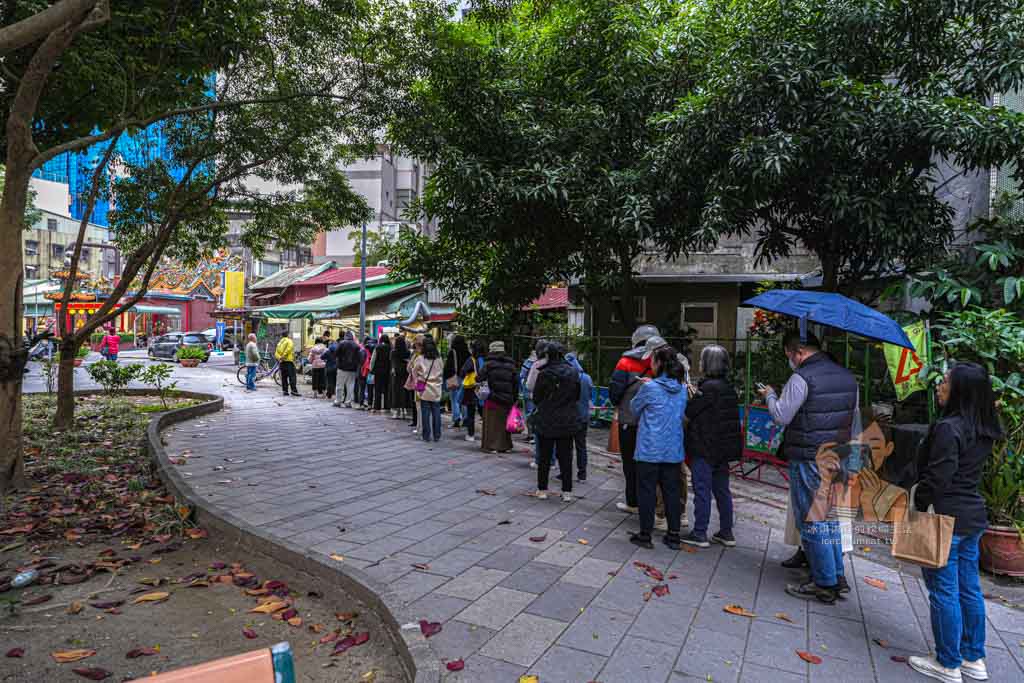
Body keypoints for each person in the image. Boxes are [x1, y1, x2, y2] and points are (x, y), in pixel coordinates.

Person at [908, 363, 1001, 683]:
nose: (939, 385)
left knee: (943, 591)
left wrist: (919, 503)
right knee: (969, 589)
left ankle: (947, 663)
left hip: (944, 517)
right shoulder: (984, 427)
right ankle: (973, 657)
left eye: (946, 381)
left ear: (960, 389)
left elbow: (939, 477)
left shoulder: (950, 428)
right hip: (972, 516)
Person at [760, 330, 856, 604]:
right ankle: (837, 575)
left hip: (809, 457)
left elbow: (781, 416)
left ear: (797, 352)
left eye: (789, 355)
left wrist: (770, 395)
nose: (790, 360)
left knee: (812, 519)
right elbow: (853, 417)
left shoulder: (801, 378)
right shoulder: (848, 377)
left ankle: (824, 582)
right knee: (831, 517)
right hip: (839, 454)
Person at [682, 344, 742, 548]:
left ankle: (700, 532)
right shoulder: (728, 387)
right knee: (722, 490)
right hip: (723, 448)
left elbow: (689, 413)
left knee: (702, 489)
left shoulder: (707, 388)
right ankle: (726, 532)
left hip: (705, 446)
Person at [628, 345, 688, 550]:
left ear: (659, 364)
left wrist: (647, 386)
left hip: (649, 448)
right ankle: (673, 536)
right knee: (672, 492)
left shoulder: (650, 388)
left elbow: (634, 408)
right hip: (672, 449)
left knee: (646, 491)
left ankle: (645, 535)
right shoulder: (681, 389)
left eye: (653, 361)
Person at [641, 336, 692, 532]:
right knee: (675, 473)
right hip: (676, 428)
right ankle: (676, 516)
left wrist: (651, 386)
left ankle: (664, 514)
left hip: (666, 429)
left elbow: (638, 406)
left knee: (668, 476)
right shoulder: (678, 371)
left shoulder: (675, 368)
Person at [609, 324, 661, 514]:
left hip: (629, 419)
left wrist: (619, 403)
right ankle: (655, 503)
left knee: (629, 462)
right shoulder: (663, 360)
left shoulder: (625, 361)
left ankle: (633, 502)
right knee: (653, 464)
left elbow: (615, 391)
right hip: (656, 422)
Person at [533, 342, 584, 502]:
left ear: (548, 355)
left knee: (545, 457)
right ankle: (567, 491)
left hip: (547, 418)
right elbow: (577, 396)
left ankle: (542, 489)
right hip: (567, 419)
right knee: (566, 456)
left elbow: (536, 398)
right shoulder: (573, 372)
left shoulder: (544, 373)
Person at [477, 340, 518, 453]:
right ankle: (505, 446)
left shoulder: (488, 364)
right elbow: (515, 383)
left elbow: (479, 378)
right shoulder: (511, 364)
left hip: (492, 397)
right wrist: (514, 398)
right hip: (507, 398)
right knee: (504, 422)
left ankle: (491, 446)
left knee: (491, 422)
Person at [566, 351, 592, 481]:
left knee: (567, 447)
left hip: (570, 417)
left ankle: (565, 473)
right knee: (581, 446)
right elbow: (590, 396)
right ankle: (582, 474)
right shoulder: (587, 378)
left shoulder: (567, 377)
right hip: (584, 416)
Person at [413, 336, 444, 442]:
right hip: (436, 388)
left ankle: (426, 436)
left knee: (425, 412)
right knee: (436, 412)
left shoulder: (420, 358)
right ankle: (437, 435)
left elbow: (414, 371)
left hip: (424, 388)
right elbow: (442, 371)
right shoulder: (439, 359)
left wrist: (417, 380)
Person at [460, 340, 486, 442]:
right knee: (483, 412)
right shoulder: (486, 359)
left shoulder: (471, 360)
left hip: (472, 389)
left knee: (471, 413)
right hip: (484, 389)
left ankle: (471, 434)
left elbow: (463, 372)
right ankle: (487, 433)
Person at [444, 335, 471, 428]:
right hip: (465, 378)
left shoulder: (453, 352)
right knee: (464, 399)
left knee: (454, 399)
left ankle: (456, 419)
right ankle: (466, 418)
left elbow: (448, 366)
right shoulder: (468, 353)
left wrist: (446, 377)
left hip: (455, 378)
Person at [334, 331, 360, 407]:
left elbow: (335, 353)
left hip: (342, 368)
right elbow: (359, 357)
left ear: (346, 336)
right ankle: (348, 402)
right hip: (353, 369)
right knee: (350, 385)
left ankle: (338, 401)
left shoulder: (341, 343)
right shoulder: (356, 345)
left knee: (339, 385)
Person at [390, 335, 411, 420]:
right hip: (405, 373)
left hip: (396, 374)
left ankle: (397, 412)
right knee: (405, 391)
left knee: (396, 392)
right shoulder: (408, 352)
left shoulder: (393, 352)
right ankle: (404, 410)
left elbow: (392, 362)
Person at [369, 334, 392, 414]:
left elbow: (373, 359)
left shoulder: (378, 347)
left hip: (378, 371)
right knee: (386, 389)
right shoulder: (391, 348)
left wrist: (371, 369)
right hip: (388, 371)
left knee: (377, 389)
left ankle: (377, 406)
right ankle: (387, 406)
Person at [275, 332, 299, 397]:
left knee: (284, 377)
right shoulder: (289, 341)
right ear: (288, 335)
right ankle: (294, 391)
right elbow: (289, 349)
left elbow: (276, 353)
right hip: (289, 361)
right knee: (292, 376)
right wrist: (284, 356)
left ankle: (285, 391)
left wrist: (280, 358)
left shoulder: (279, 343)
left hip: (282, 362)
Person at [323, 332, 338, 400]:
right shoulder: (337, 351)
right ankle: (334, 393)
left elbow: (322, 357)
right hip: (336, 368)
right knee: (335, 381)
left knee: (329, 381)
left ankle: (329, 394)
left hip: (329, 368)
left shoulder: (328, 351)